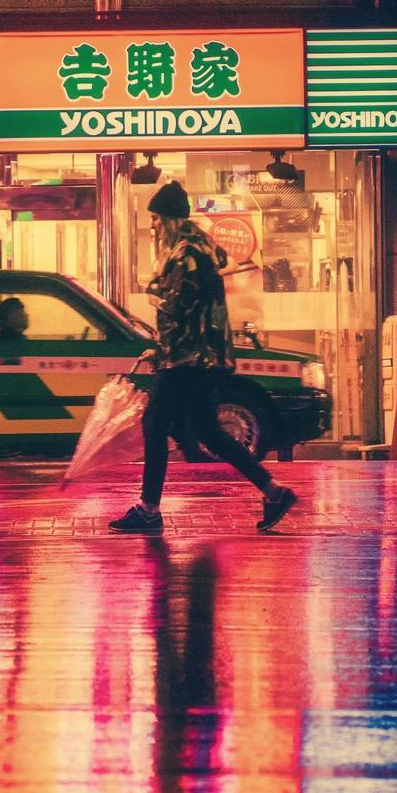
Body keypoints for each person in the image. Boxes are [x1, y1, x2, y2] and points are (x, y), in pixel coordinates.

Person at [111, 181, 298, 535]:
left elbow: (180, 308)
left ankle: (149, 509)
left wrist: (161, 328)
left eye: (155, 218)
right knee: (208, 432)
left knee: (154, 424)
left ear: (168, 218)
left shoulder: (185, 254)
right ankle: (273, 491)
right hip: (199, 357)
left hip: (186, 359)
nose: (152, 225)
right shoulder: (196, 248)